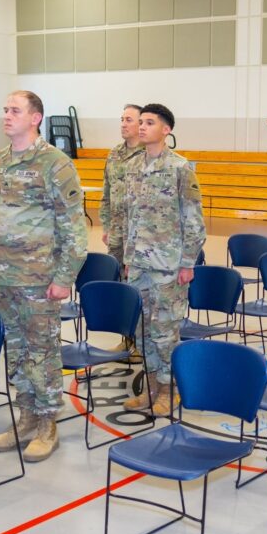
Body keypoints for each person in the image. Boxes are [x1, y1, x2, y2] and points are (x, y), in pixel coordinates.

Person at [0, 90, 88, 461]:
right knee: (15, 350)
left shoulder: (54, 163)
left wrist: (64, 276)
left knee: (42, 352)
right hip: (6, 276)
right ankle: (25, 418)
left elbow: (74, 228)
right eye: (5, 109)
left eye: (15, 111)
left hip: (40, 278)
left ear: (35, 118)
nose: (7, 116)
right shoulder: (0, 159)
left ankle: (48, 425)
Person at [120, 103, 206, 418]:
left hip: (168, 266)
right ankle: (152, 386)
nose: (141, 127)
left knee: (165, 330)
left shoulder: (181, 168)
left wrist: (187, 262)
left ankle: (171, 389)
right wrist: (129, 257)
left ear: (166, 130)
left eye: (149, 122)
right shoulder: (132, 167)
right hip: (139, 264)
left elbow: (194, 220)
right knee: (142, 329)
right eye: (140, 122)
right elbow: (130, 216)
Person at [100, 104, 144, 269]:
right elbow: (106, 194)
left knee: (136, 284)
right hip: (115, 234)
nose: (123, 124)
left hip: (139, 237)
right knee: (115, 279)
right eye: (122, 120)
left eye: (128, 120)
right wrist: (106, 226)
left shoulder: (149, 154)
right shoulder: (114, 154)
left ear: (141, 124)